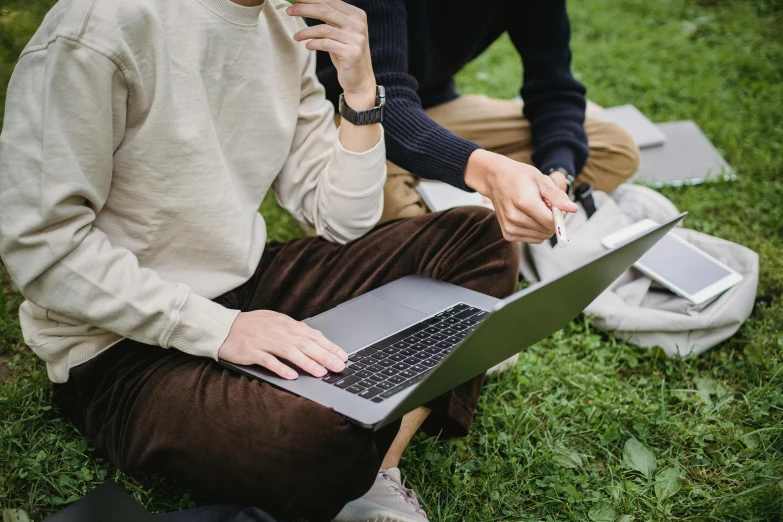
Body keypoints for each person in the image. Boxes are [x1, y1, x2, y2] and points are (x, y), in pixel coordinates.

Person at [0, 0, 575, 520]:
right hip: (121, 348)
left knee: (480, 237)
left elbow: (339, 217)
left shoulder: (287, 23)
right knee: (312, 439)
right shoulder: (100, 25)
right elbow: (42, 248)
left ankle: (379, 470)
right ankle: (368, 421)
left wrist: (359, 96)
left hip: (252, 285)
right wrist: (221, 330)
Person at [312, 0, 640, 239]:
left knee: (613, 146)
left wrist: (557, 173)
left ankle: (453, 209)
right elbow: (383, 99)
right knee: (384, 219)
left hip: (434, 108)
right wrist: (487, 171)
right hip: (348, 116)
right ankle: (448, 212)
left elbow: (555, 86)